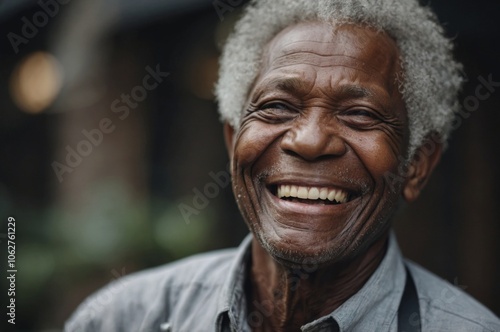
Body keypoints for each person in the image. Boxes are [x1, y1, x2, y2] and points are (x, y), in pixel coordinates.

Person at [65, 0, 500, 331]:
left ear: (417, 165)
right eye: (276, 107)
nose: (309, 141)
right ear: (234, 140)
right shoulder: (122, 317)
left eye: (361, 115)